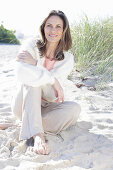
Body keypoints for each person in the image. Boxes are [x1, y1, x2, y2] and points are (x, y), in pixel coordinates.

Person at [11, 10, 81, 155]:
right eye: (49, 25)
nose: (53, 30)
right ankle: (38, 135)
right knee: (33, 81)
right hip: (23, 101)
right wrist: (52, 79)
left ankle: (24, 124)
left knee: (75, 109)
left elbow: (51, 94)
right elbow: (21, 73)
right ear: (43, 28)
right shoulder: (31, 45)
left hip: (47, 104)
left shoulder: (67, 59)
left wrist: (36, 65)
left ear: (64, 31)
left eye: (58, 27)